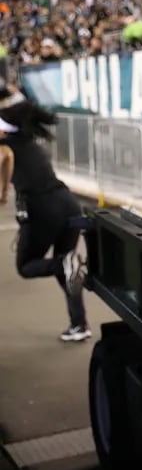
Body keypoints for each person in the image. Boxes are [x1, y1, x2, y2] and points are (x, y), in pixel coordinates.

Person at [0, 100, 89, 342]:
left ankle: (66, 264)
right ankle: (79, 325)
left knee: (26, 266)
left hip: (42, 208)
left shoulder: (6, 145)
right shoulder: (31, 143)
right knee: (66, 269)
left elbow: (4, 158)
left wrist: (3, 193)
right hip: (68, 203)